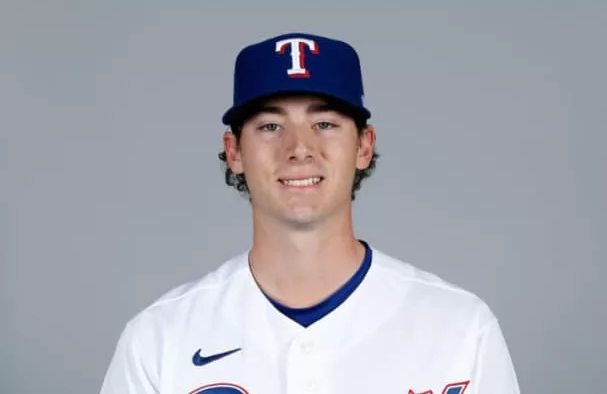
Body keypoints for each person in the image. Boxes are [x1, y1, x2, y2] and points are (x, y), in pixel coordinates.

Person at [99, 32, 521, 394]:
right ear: (234, 151)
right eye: (270, 126)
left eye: (325, 124)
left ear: (364, 146)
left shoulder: (461, 329)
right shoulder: (159, 339)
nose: (299, 148)